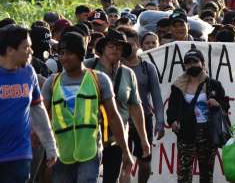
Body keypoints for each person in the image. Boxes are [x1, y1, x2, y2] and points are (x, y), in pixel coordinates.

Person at [42, 32, 133, 183]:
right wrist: (46, 151)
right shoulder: (51, 83)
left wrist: (125, 151)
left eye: (69, 53)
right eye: (61, 53)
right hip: (61, 154)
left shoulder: (99, 80)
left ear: (80, 54)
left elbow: (113, 116)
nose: (64, 58)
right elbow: (42, 119)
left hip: (89, 152)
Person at [84, 30, 150, 183]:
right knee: (87, 178)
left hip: (118, 136)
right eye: (111, 46)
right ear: (103, 48)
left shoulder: (128, 74)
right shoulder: (88, 67)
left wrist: (144, 139)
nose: (115, 49)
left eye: (119, 47)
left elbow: (136, 106)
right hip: (90, 134)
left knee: (112, 178)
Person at [0, 25, 57, 183]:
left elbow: (38, 110)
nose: (31, 52)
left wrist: (50, 146)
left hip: (20, 154)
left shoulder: (29, 72)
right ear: (10, 50)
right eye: (26, 47)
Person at [166, 48, 229, 183]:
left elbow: (225, 107)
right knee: (184, 172)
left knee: (206, 173)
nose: (192, 65)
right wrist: (173, 122)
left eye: (195, 61)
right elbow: (172, 108)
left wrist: (217, 104)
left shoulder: (214, 85)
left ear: (202, 63)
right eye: (188, 62)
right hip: (186, 133)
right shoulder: (178, 86)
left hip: (208, 133)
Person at [120, 27, 165, 183]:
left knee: (145, 163)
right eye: (124, 44)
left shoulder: (147, 67)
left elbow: (157, 97)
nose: (128, 48)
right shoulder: (114, 67)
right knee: (123, 163)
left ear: (138, 45)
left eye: (131, 44)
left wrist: (160, 121)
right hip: (120, 120)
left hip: (143, 119)